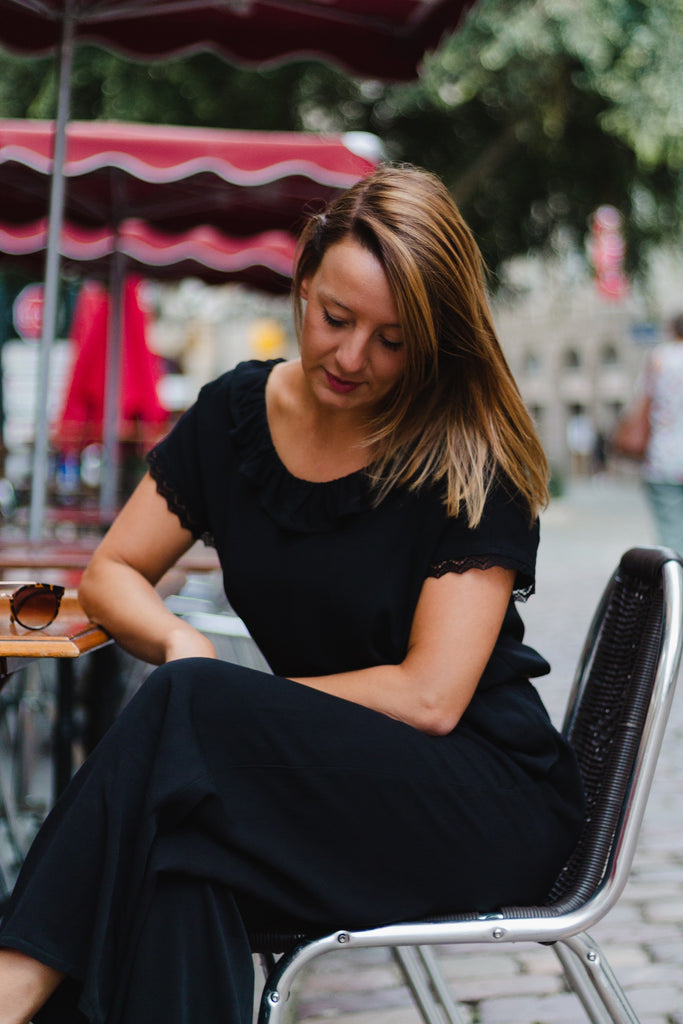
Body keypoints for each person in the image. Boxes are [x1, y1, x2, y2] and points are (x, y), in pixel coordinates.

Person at [0, 165, 585, 1024]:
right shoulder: (235, 417)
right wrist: (178, 647)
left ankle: (11, 988)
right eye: (335, 318)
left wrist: (221, 714)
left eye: (391, 341)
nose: (351, 358)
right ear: (302, 282)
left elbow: (429, 698)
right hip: (311, 796)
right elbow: (113, 573)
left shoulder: (468, 454)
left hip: (476, 805)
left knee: (188, 722)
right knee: (176, 859)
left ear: (432, 340)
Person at [642, 313, 683, 555]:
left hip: (664, 460)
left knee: (670, 537)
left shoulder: (660, 359)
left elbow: (643, 403)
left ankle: (677, 587)